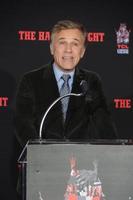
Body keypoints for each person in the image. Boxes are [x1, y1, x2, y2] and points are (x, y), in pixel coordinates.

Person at [14, 19, 117, 147]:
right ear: (52, 48)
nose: (68, 50)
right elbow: (23, 123)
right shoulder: (31, 80)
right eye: (62, 43)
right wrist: (39, 152)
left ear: (83, 51)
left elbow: (103, 123)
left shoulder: (91, 80)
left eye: (75, 44)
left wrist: (113, 151)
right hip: (44, 159)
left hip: (81, 161)